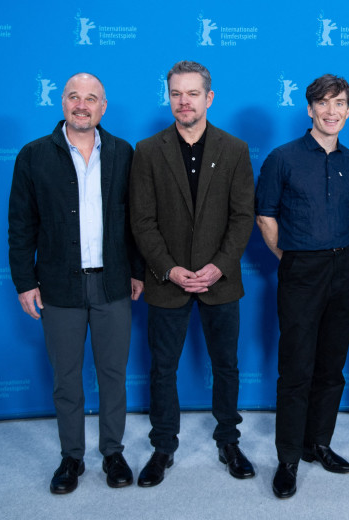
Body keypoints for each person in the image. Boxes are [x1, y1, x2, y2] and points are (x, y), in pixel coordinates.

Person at [8, 72, 145, 494]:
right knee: (66, 377)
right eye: (74, 97)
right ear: (61, 103)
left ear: (103, 107)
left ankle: (113, 452)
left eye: (91, 98)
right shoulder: (33, 156)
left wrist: (138, 269)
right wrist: (24, 281)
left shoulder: (124, 153)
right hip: (58, 286)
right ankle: (71, 458)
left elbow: (137, 220)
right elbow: (20, 225)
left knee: (112, 374)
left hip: (113, 284)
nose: (82, 105)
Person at [129, 60, 256, 487]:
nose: (184, 102)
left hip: (221, 281)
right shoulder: (147, 151)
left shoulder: (235, 149)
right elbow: (141, 221)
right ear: (169, 98)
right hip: (168, 282)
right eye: (176, 94)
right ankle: (163, 446)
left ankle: (228, 441)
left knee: (227, 366)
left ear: (209, 98)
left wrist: (217, 267)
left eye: (192, 93)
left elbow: (242, 218)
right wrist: (170, 269)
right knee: (162, 368)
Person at [256, 74, 349, 499]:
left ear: (348, 110)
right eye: (323, 103)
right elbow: (265, 217)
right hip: (300, 270)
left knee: (331, 367)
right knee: (296, 369)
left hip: (343, 269)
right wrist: (296, 258)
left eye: (339, 103)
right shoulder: (282, 159)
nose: (331, 111)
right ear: (309, 109)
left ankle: (318, 442)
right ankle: (287, 459)